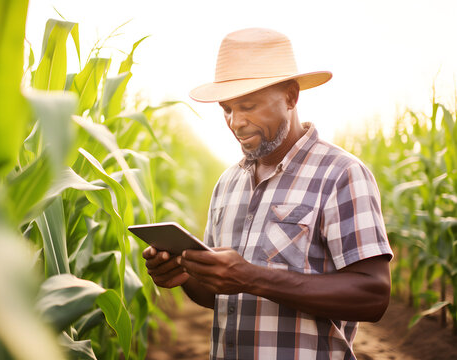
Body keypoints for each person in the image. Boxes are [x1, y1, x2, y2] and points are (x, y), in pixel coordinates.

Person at [143, 28, 393, 360]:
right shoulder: (228, 184)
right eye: (227, 109)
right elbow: (220, 294)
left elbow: (373, 295)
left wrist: (251, 277)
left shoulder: (341, 174)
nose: (236, 122)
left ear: (291, 96)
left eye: (248, 105)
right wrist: (185, 273)